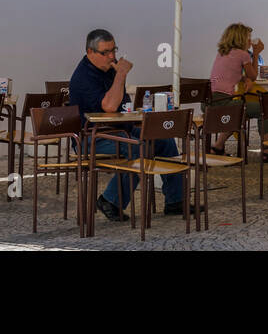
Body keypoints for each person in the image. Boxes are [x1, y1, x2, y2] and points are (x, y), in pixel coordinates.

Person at [68, 28, 190, 223]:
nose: (112, 56)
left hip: (119, 129)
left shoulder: (109, 69)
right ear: (90, 52)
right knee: (137, 148)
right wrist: (121, 75)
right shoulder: (83, 77)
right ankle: (110, 200)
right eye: (105, 52)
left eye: (114, 50)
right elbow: (109, 106)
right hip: (91, 136)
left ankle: (175, 201)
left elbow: (121, 105)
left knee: (164, 140)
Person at [208, 22, 266, 154]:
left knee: (239, 111)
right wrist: (256, 53)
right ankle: (267, 152)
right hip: (225, 102)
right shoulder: (243, 54)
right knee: (265, 109)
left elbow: (229, 73)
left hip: (210, 100)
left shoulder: (221, 53)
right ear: (241, 38)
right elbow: (253, 75)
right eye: (248, 38)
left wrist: (244, 79)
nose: (250, 41)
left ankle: (218, 146)